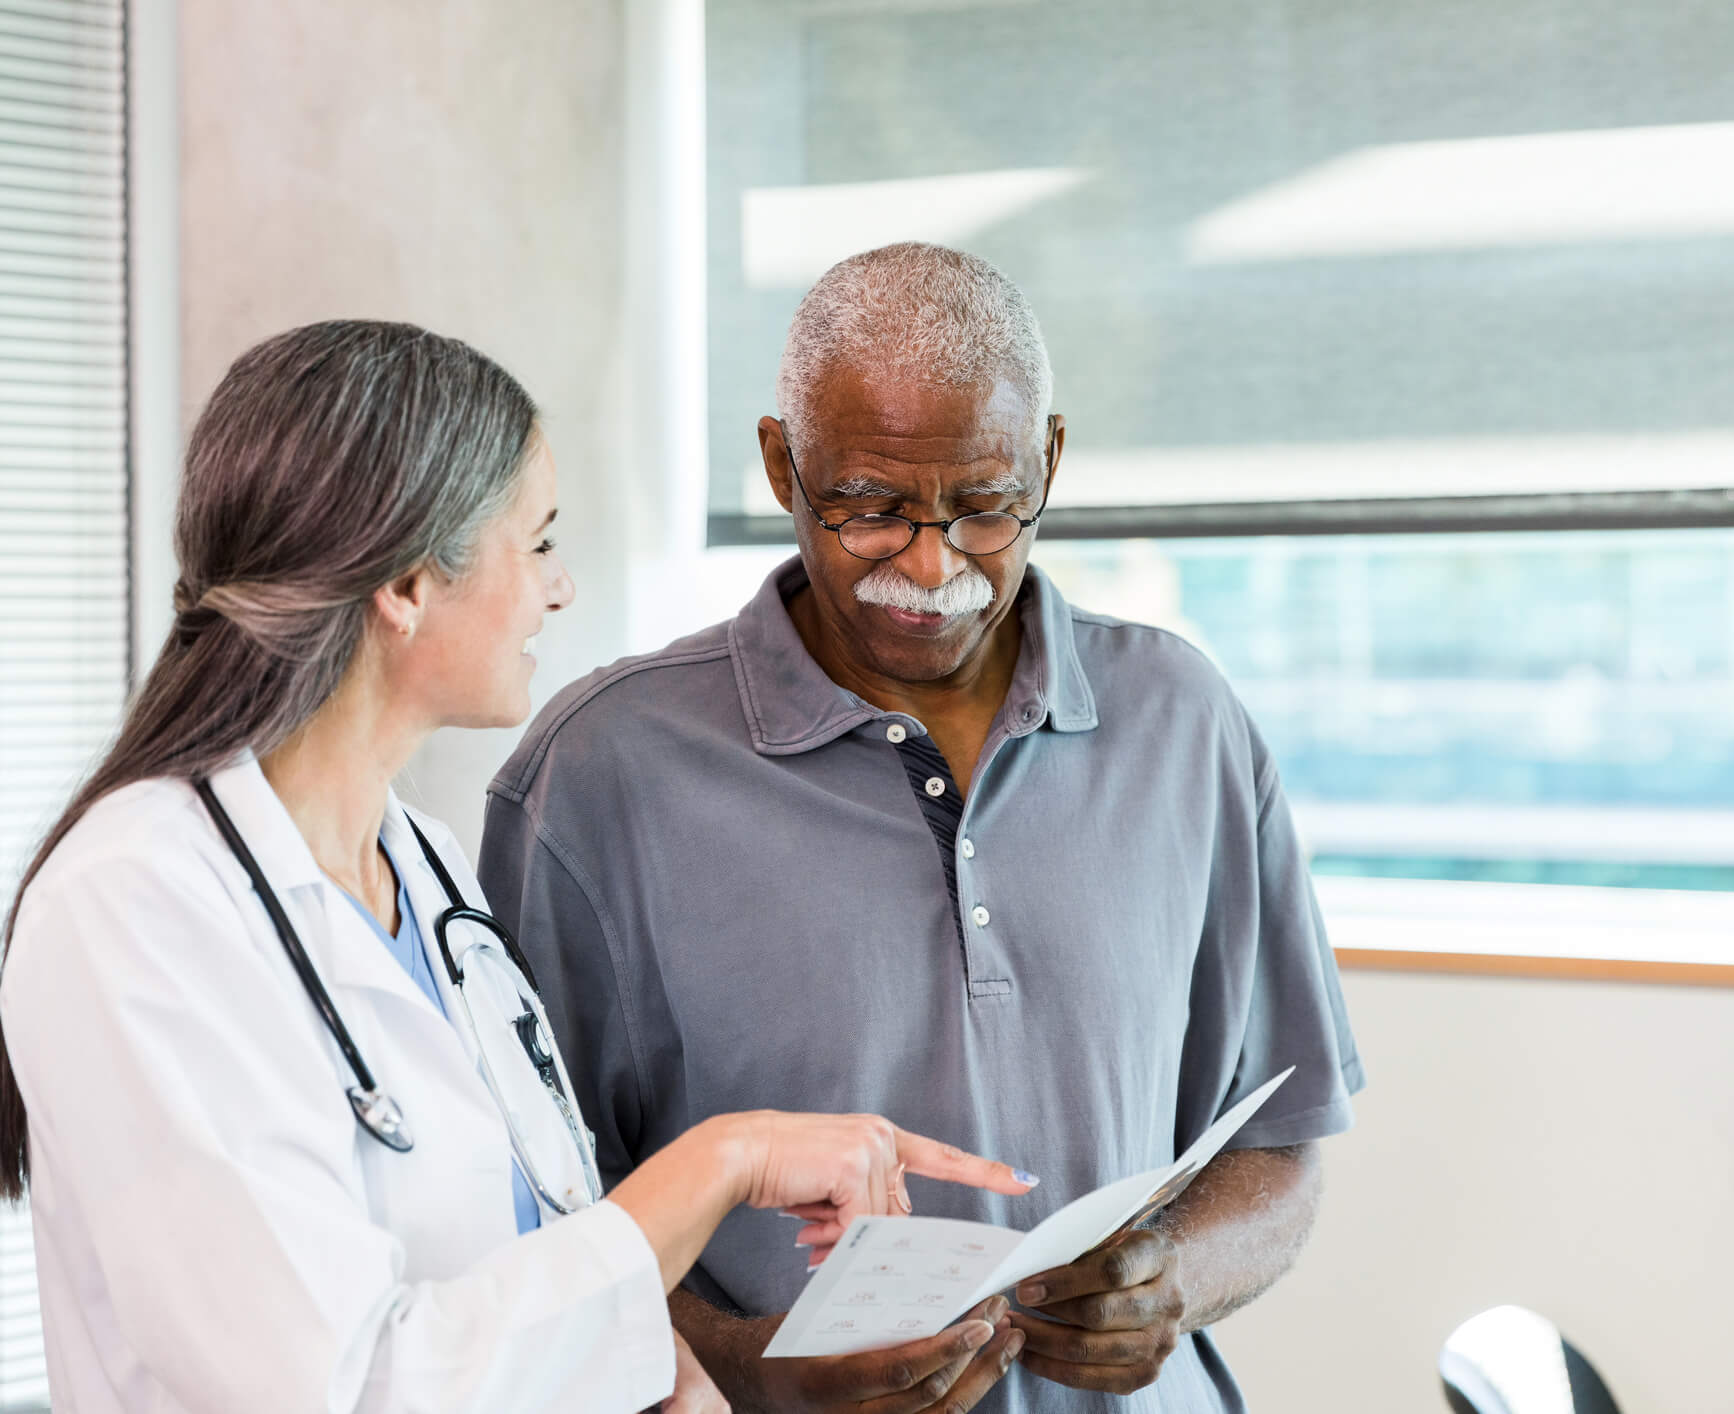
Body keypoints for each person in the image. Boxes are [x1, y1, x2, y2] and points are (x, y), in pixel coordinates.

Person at [0, 320, 1036, 1414]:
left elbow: (530, 1251)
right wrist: (724, 1161)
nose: (561, 588)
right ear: (406, 583)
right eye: (536, 541)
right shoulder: (137, 903)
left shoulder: (428, 870)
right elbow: (333, 1389)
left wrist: (663, 1367)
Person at [481, 243, 1365, 1413]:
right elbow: (526, 1214)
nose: (934, 564)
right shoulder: (599, 773)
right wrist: (748, 1372)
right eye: (872, 508)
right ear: (781, 465)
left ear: (1049, 460)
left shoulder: (1185, 723)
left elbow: (1281, 1143)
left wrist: (1178, 1280)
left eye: (986, 508)